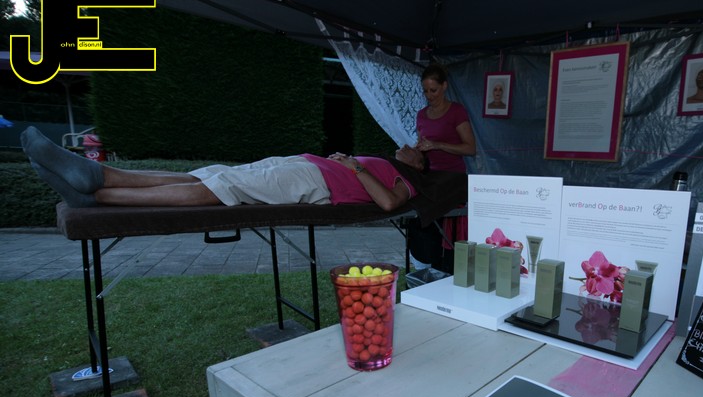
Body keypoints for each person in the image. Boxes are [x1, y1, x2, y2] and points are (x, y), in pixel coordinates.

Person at [21, 126, 422, 211]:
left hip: (313, 181)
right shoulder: (388, 162)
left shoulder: (407, 179)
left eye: (415, 149)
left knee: (224, 187)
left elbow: (389, 204)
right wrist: (350, 164)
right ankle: (97, 178)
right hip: (304, 165)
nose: (407, 145)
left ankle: (99, 195)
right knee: (213, 174)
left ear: (420, 165)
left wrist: (354, 168)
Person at [406, 63, 476, 270]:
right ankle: (426, 261)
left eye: (433, 90)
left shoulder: (456, 111)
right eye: (425, 91)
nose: (429, 95)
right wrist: (417, 150)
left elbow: (470, 148)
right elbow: (423, 143)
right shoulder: (421, 114)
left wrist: (438, 145)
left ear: (444, 86)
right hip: (430, 176)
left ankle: (441, 264)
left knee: (433, 215)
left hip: (453, 179)